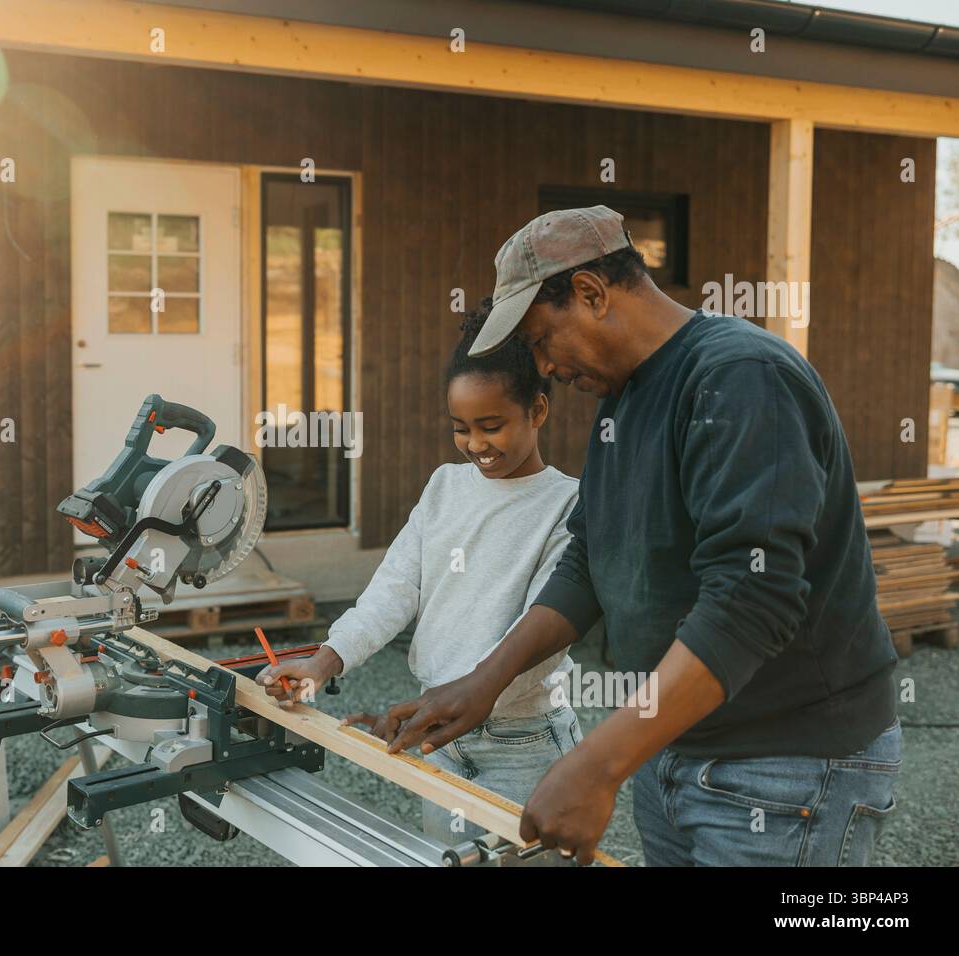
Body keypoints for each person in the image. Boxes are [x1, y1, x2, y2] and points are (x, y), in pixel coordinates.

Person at [368, 205, 901, 866]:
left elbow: (749, 598)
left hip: (782, 768)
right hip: (671, 744)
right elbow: (589, 557)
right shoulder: (622, 398)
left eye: (540, 339)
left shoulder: (739, 379)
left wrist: (596, 763)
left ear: (590, 292)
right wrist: (485, 682)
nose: (544, 366)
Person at [257, 297, 582, 843]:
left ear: (539, 411)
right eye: (461, 427)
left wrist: (435, 706)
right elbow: (394, 589)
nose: (476, 444)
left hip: (523, 746)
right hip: (441, 738)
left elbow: (537, 635)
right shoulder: (444, 487)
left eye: (492, 425)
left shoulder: (567, 505)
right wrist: (323, 663)